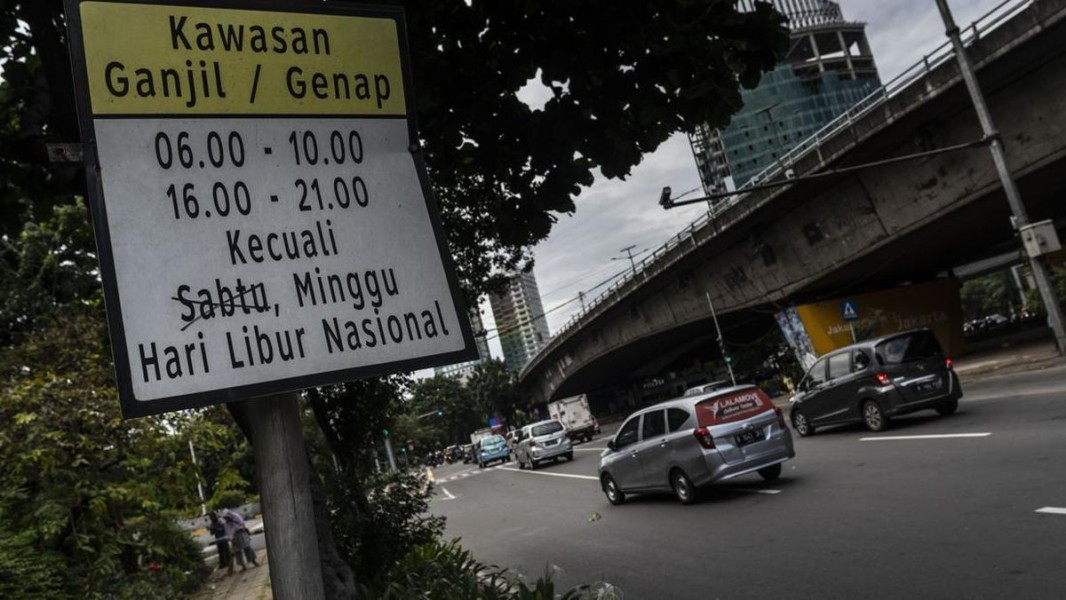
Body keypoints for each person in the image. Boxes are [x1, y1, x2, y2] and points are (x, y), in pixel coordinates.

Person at [207, 511, 234, 576]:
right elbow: (212, 534)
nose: (212, 519)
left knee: (227, 552)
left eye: (212, 517)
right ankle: (223, 564)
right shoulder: (212, 524)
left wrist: (215, 528)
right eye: (210, 518)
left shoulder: (220, 521)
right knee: (221, 552)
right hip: (218, 540)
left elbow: (223, 529)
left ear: (215, 516)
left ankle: (229, 564)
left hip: (224, 538)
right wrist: (211, 529)